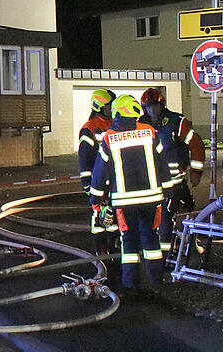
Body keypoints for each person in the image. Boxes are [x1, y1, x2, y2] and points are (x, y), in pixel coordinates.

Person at [90, 94, 173, 291]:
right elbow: (163, 165)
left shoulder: (109, 138)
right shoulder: (150, 132)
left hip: (124, 202)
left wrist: (95, 199)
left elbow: (99, 174)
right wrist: (169, 190)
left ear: (118, 111)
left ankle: (130, 286)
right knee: (152, 240)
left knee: (129, 243)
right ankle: (156, 282)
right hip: (152, 200)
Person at [139, 88, 205, 252]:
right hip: (150, 183)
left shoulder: (177, 121)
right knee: (150, 218)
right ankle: (157, 250)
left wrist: (195, 173)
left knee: (166, 217)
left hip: (174, 182)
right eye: (148, 107)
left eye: (155, 106)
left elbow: (196, 146)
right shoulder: (140, 124)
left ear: (162, 105)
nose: (152, 110)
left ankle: (165, 255)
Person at [77, 88, 118, 255]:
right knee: (99, 221)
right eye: (110, 106)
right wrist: (87, 185)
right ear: (99, 106)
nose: (113, 109)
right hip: (98, 183)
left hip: (115, 182)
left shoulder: (116, 125)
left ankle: (115, 250)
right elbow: (85, 160)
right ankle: (102, 252)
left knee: (115, 221)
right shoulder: (89, 128)